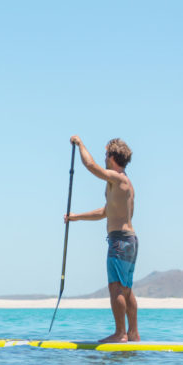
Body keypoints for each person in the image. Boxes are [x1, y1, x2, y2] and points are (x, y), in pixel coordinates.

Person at [65, 135, 139, 343]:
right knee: (126, 288)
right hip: (130, 241)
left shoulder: (119, 179)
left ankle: (120, 333)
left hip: (120, 241)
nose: (104, 158)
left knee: (115, 287)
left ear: (113, 156)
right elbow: (105, 212)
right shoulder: (123, 184)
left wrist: (79, 144)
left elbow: (90, 165)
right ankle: (133, 333)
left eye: (106, 154)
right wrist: (75, 218)